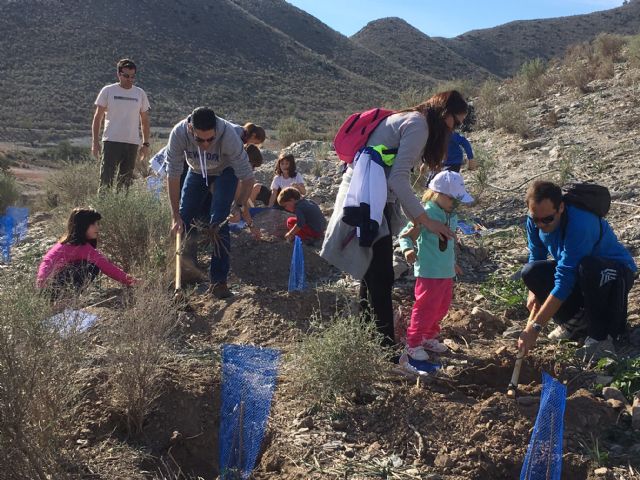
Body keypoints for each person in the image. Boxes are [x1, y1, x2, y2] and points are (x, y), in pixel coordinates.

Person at [321, 90, 467, 347]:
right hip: (370, 198)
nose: (455, 129)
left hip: (369, 195)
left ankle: (368, 340)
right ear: (445, 114)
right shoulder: (419, 125)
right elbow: (397, 178)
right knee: (381, 275)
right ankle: (386, 351)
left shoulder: (411, 119)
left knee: (373, 271)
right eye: (456, 121)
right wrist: (425, 220)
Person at [518, 181, 637, 358]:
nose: (541, 225)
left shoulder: (581, 223)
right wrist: (533, 294)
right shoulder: (535, 220)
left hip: (613, 275)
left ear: (561, 208)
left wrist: (535, 327)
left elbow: (565, 279)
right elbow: (537, 256)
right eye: (536, 219)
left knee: (588, 267)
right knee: (531, 272)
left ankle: (600, 337)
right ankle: (576, 322)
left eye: (547, 219)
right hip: (580, 275)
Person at [165, 107, 258, 299]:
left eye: (210, 139)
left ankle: (219, 281)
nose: (206, 144)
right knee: (184, 218)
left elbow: (248, 178)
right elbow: (173, 175)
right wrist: (175, 215)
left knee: (219, 221)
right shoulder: (179, 133)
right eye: (200, 140)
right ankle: (185, 273)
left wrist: (239, 206)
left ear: (216, 130)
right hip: (197, 171)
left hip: (225, 171)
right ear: (191, 130)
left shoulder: (229, 136)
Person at [398, 171, 473, 360]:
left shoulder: (451, 214)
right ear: (438, 194)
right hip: (429, 271)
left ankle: (428, 337)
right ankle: (413, 343)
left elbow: (448, 243)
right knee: (425, 307)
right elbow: (405, 234)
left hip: (445, 271)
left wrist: (452, 263)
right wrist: (408, 250)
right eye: (453, 200)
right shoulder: (426, 214)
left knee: (442, 306)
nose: (455, 205)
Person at [36, 208, 136, 298]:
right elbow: (107, 267)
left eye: (98, 224)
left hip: (45, 290)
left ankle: (64, 299)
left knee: (87, 265)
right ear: (82, 226)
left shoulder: (67, 243)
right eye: (93, 224)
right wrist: (133, 282)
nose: (98, 228)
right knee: (92, 267)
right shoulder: (80, 246)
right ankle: (65, 300)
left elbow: (45, 264)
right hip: (50, 290)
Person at [92, 58, 151, 192]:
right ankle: (102, 209)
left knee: (125, 182)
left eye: (132, 76)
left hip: (131, 143)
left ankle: (120, 211)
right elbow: (97, 118)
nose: (129, 79)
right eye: (126, 76)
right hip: (111, 141)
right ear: (119, 74)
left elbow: (145, 120)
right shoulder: (108, 91)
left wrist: (145, 144)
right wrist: (95, 142)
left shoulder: (140, 93)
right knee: (106, 180)